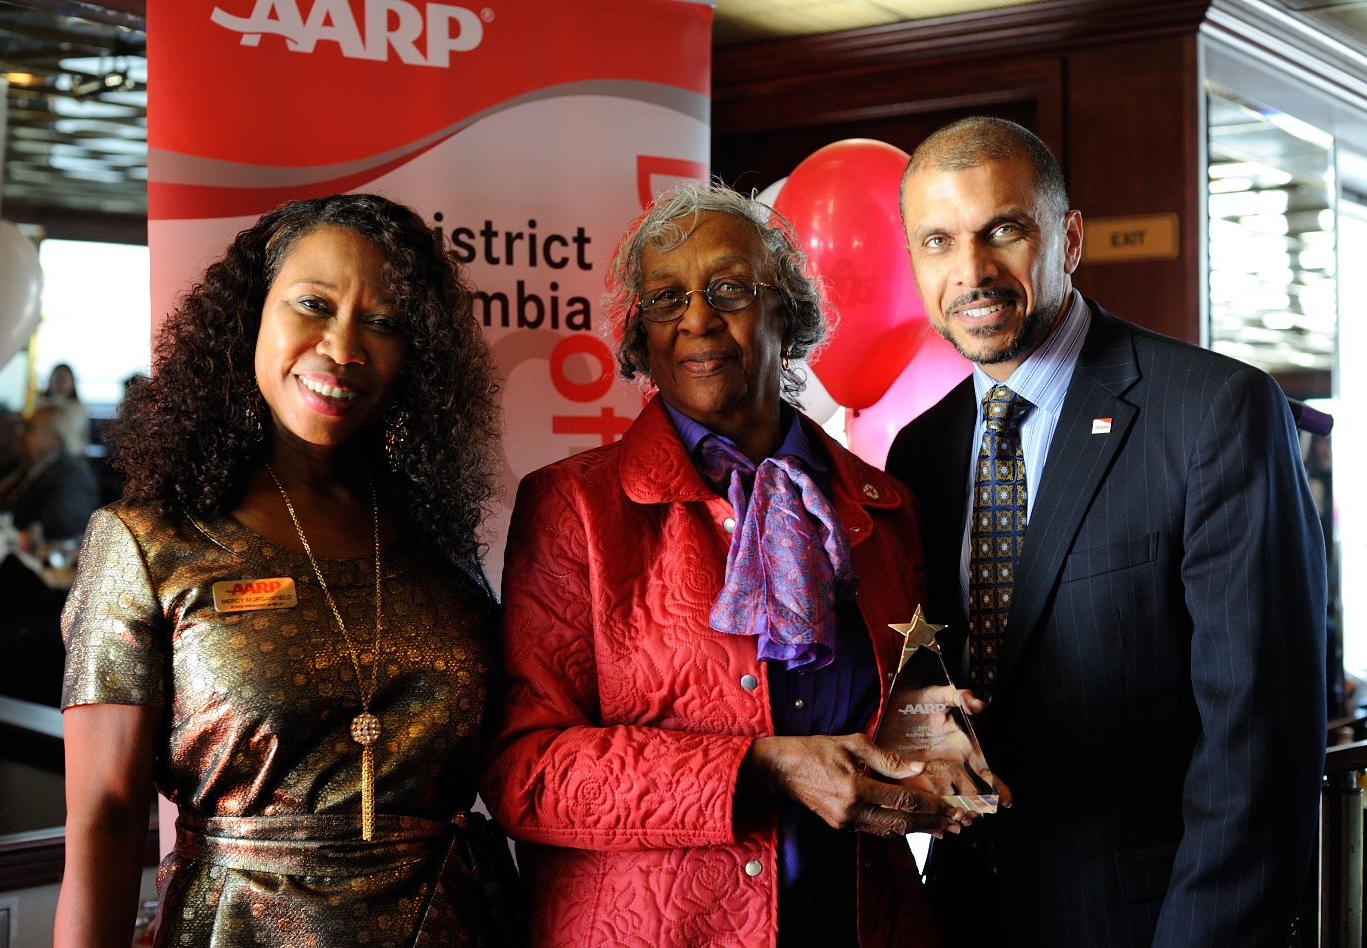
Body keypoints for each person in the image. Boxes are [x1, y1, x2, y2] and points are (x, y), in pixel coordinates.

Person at [483, 184, 978, 948]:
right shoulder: (573, 508)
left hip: (861, 921)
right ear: (640, 336)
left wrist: (939, 762)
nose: (697, 317)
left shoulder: (881, 506)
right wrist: (764, 767)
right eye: (665, 298)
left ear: (788, 310)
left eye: (729, 289)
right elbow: (528, 776)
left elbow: (905, 719)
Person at [886, 116, 1326, 948]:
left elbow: (1257, 743)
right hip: (962, 920)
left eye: (1003, 230)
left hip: (1154, 923)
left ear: (1070, 238)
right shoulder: (920, 449)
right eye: (937, 241)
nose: (970, 272)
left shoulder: (1213, 412)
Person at [55, 194, 520, 948]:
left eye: (385, 322)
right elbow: (104, 820)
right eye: (313, 304)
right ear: (251, 318)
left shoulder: (438, 545)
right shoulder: (146, 543)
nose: (343, 347)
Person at [0, 403, 99, 539]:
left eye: (29, 429)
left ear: (54, 441)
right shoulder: (18, 466)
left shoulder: (72, 480)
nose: (20, 434)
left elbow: (49, 531)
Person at [39, 362, 90, 456]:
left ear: (72, 382)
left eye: (63, 379)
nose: (59, 383)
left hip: (71, 456)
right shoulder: (41, 406)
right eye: (56, 379)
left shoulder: (79, 408)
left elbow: (83, 438)